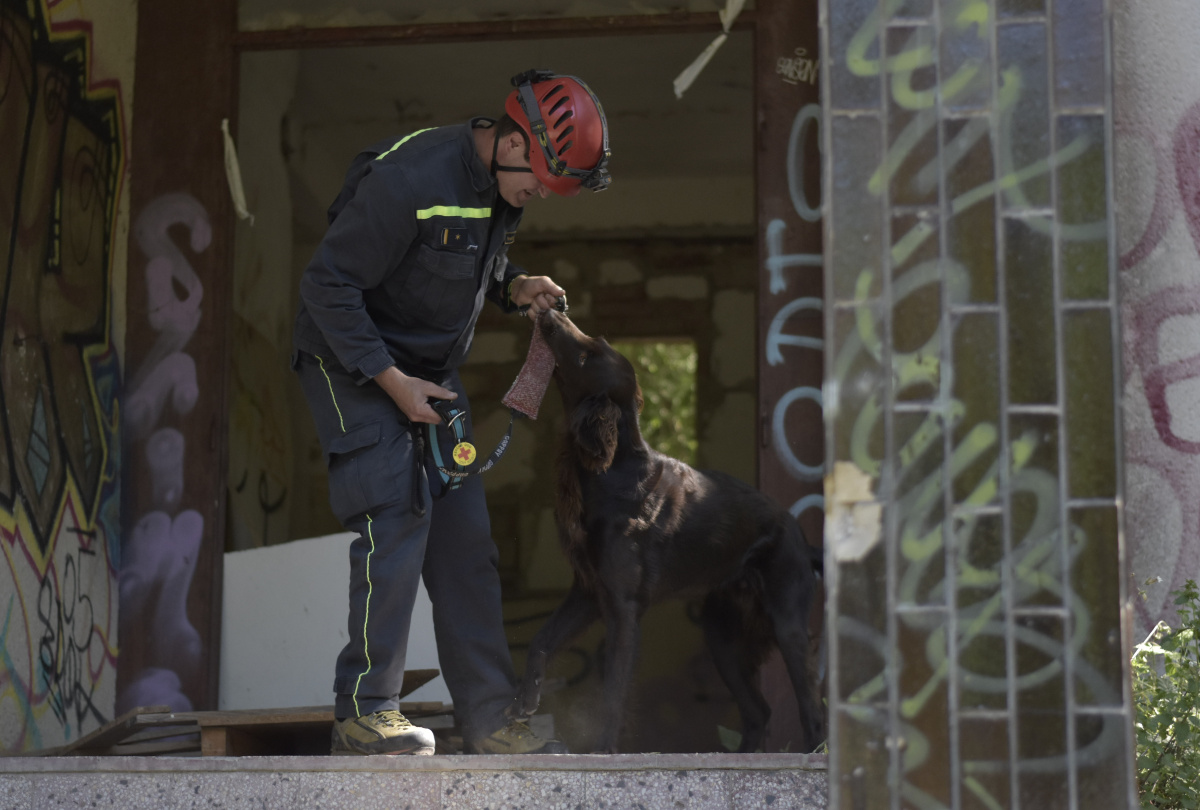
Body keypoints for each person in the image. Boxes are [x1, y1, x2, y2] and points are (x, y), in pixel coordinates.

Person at [291, 69, 611, 755]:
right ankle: (365, 710)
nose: (538, 196)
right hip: (352, 360)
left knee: (466, 541)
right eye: (540, 183)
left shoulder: (499, 187)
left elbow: (460, 263)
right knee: (398, 513)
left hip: (430, 373)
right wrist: (392, 383)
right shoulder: (409, 179)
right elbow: (327, 284)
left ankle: (491, 720)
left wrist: (513, 284)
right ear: (514, 142)